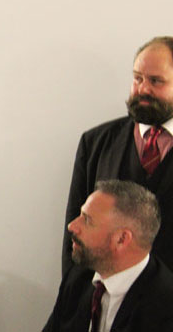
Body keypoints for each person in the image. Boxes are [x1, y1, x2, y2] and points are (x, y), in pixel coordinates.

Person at [63, 36, 173, 275]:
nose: (143, 89)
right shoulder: (95, 144)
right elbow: (74, 231)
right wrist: (72, 301)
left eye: (156, 81)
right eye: (137, 78)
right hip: (100, 300)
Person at [45, 180, 173, 331]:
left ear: (121, 239)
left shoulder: (165, 307)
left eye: (86, 219)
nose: (72, 226)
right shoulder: (78, 279)